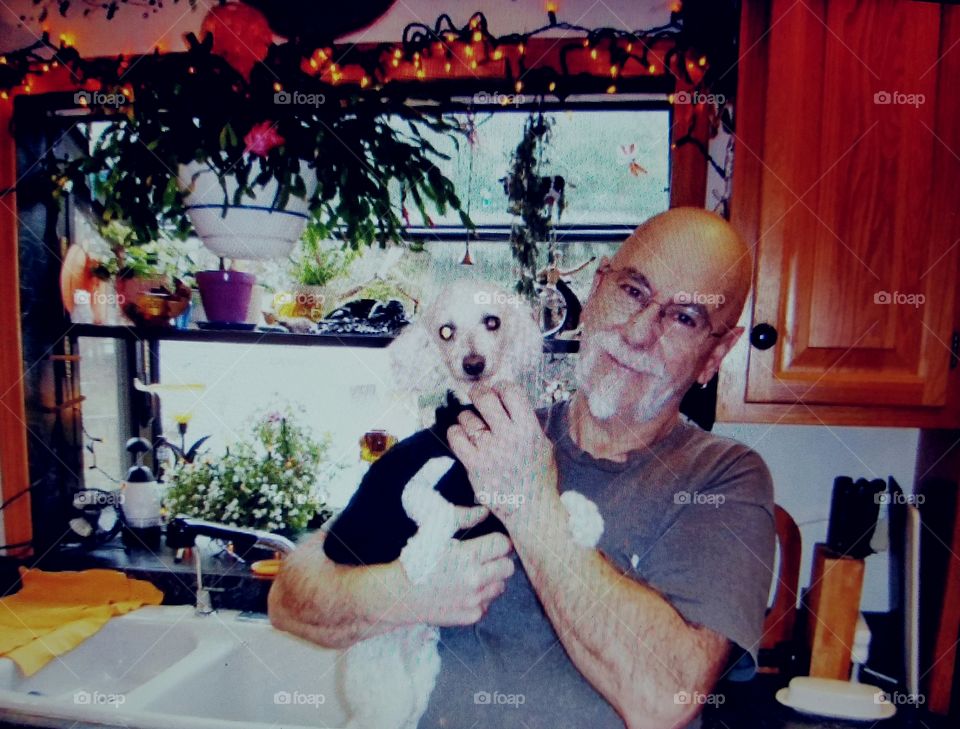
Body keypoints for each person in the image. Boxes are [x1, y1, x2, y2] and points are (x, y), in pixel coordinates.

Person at [268, 207, 776, 729]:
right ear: (598, 290)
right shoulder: (482, 431)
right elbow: (292, 598)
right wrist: (407, 591)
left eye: (686, 317)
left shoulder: (725, 480)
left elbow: (663, 698)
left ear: (716, 354)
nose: (641, 332)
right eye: (633, 292)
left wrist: (529, 501)